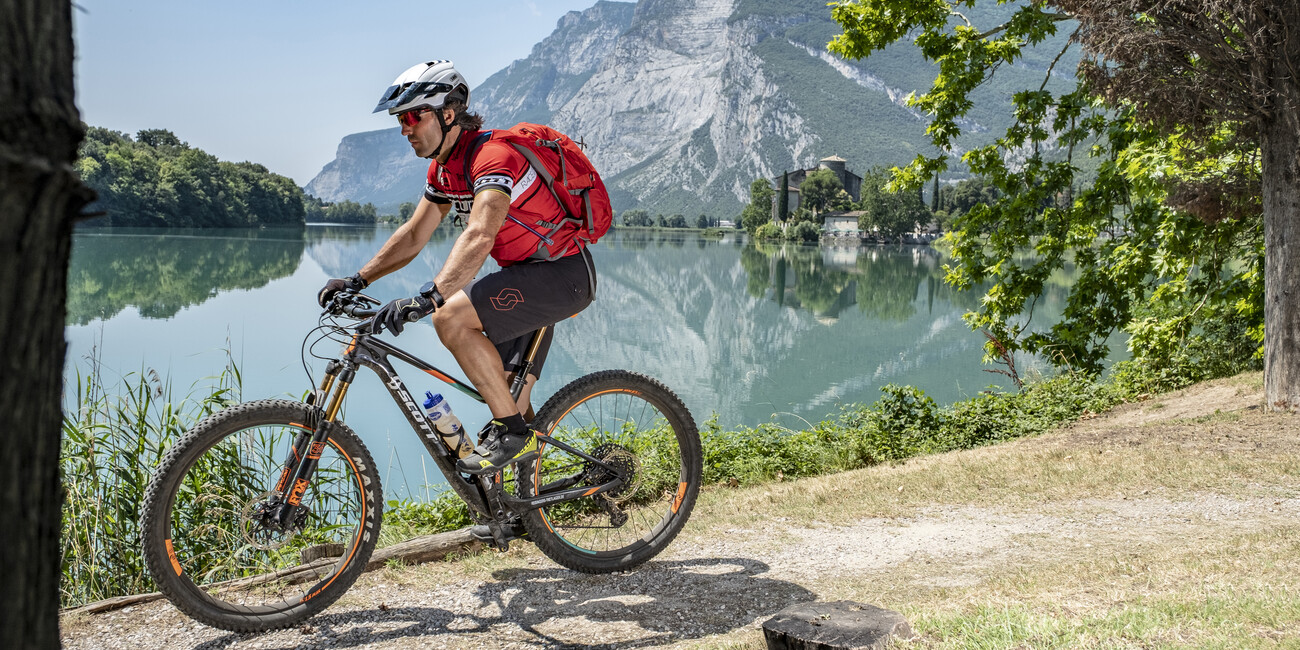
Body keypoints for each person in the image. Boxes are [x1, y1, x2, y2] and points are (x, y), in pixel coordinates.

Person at [318, 60, 599, 476]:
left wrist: (432, 297)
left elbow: (481, 234)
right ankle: (523, 508)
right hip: (523, 278)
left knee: (449, 320)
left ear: (448, 113)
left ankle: (514, 437)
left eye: (413, 116)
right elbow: (415, 234)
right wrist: (358, 278)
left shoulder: (493, 157)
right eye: (401, 120)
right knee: (503, 391)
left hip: (561, 274)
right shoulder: (445, 169)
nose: (405, 129)